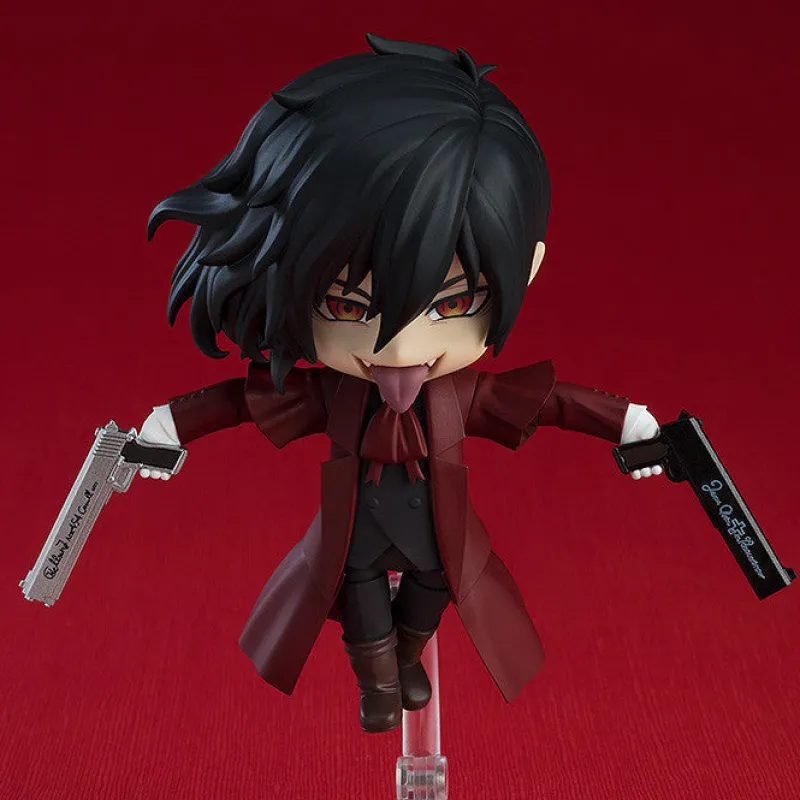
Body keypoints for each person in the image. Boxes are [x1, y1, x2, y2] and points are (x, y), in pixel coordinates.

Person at [138, 33, 661, 733]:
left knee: (433, 590)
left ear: (526, 269)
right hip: (353, 537)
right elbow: (247, 399)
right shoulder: (336, 396)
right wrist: (171, 425)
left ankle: (407, 660)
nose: (403, 348)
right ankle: (377, 683)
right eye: (347, 307)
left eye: (453, 303)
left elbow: (551, 402)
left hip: (437, 540)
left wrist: (627, 422)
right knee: (359, 598)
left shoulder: (459, 398)